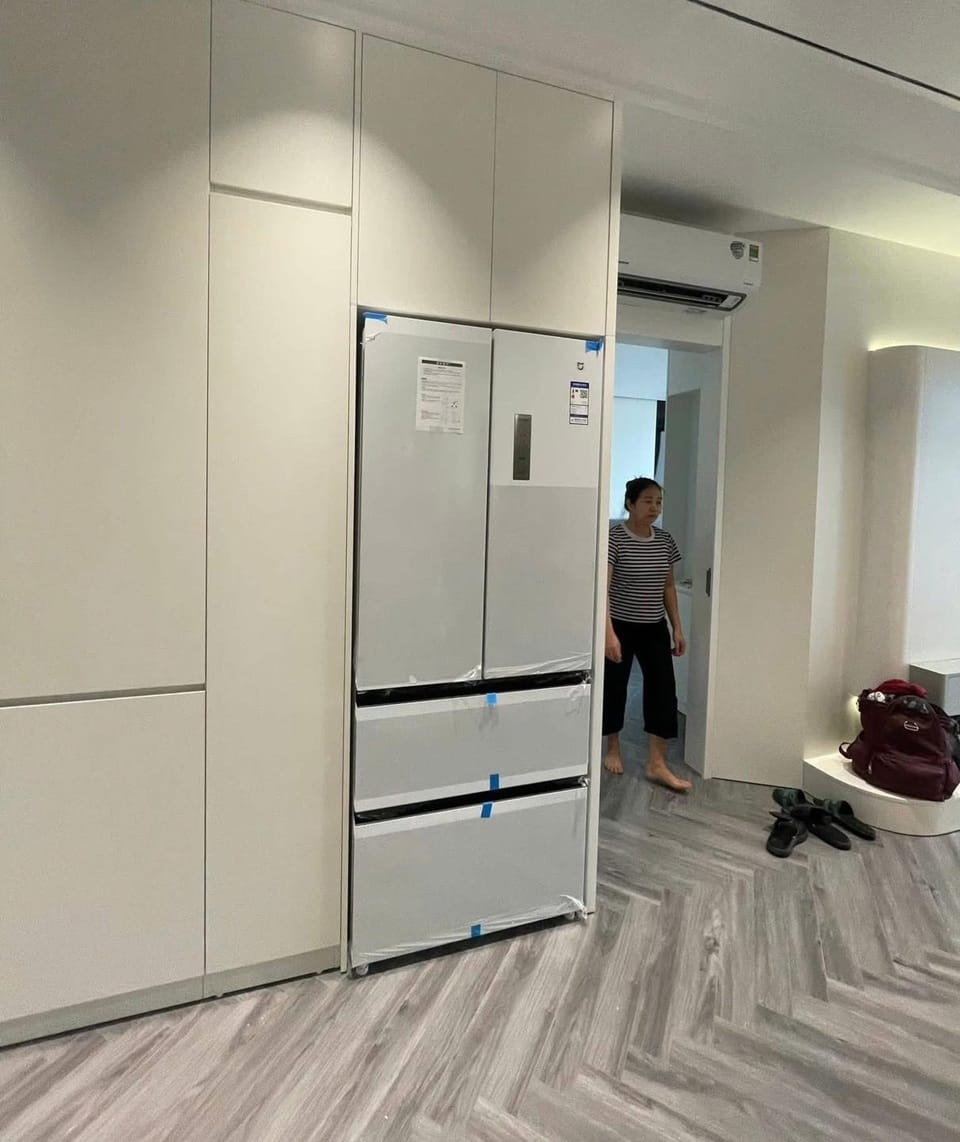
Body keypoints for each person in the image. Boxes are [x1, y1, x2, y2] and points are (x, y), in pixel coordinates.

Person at [603, 476, 691, 792]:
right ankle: (612, 746)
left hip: (654, 626)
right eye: (647, 501)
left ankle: (656, 763)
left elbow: (668, 587)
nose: (654, 507)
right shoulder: (614, 539)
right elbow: (603, 590)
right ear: (630, 504)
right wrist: (608, 634)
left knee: (663, 690)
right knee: (614, 688)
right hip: (620, 625)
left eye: (658, 502)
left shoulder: (665, 541)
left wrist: (677, 626)